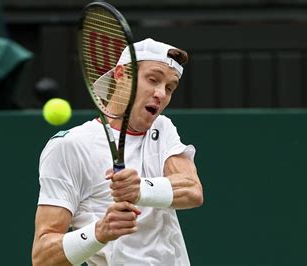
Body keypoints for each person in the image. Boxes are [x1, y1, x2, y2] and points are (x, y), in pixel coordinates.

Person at [32, 38, 204, 266]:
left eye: (170, 88)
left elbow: (192, 190)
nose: (161, 94)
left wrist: (140, 188)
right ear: (122, 74)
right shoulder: (69, 146)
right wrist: (100, 232)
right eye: (153, 80)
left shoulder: (162, 128)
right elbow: (42, 257)